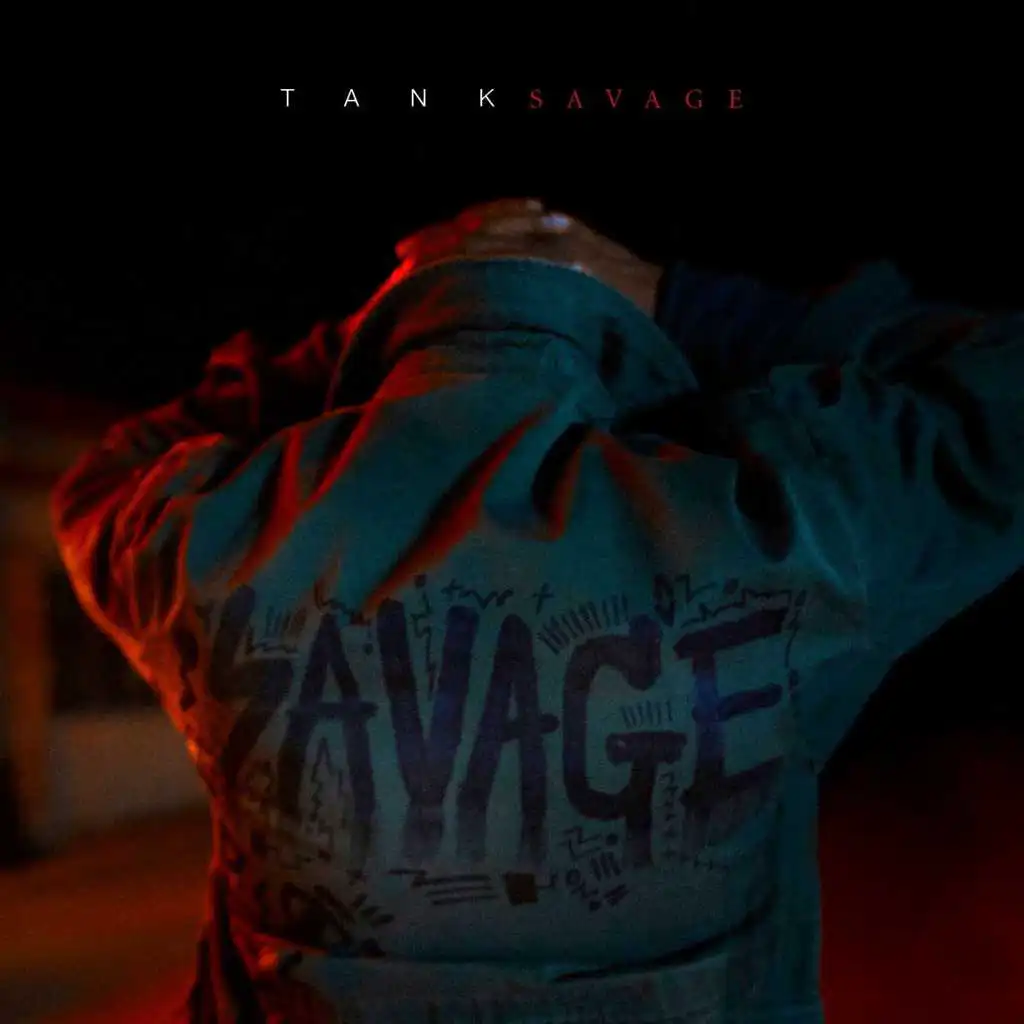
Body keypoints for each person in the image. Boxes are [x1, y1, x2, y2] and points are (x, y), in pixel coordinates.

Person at [51, 198, 1023, 1023]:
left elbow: (104, 473)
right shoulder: (789, 512)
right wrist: (679, 302)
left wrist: (398, 324)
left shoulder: (211, 536)